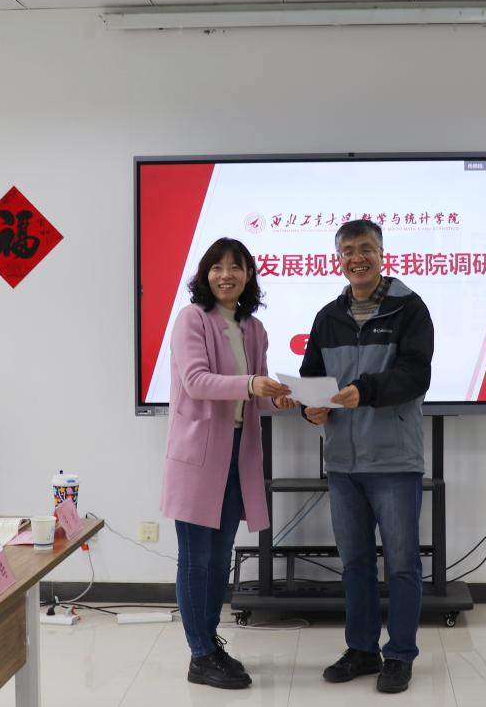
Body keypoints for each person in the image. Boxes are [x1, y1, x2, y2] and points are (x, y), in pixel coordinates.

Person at [300, 219, 435, 694]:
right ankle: (361, 649)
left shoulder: (409, 309)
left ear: (382, 254)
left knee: (402, 564)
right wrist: (308, 409)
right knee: (355, 562)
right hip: (342, 463)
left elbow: (415, 375)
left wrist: (366, 391)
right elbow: (311, 379)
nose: (356, 258)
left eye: (366, 249)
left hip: (395, 461)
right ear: (338, 258)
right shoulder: (327, 316)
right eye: (348, 251)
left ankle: (399, 655)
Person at [160, 238, 295, 690]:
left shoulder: (253, 328)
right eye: (216, 267)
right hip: (198, 456)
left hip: (238, 454)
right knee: (195, 560)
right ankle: (199, 653)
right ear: (205, 274)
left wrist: (285, 397)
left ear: (248, 275)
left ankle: (210, 644)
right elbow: (197, 381)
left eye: (235, 267)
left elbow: (255, 396)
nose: (226, 275)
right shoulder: (191, 319)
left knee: (220, 560)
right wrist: (253, 383)